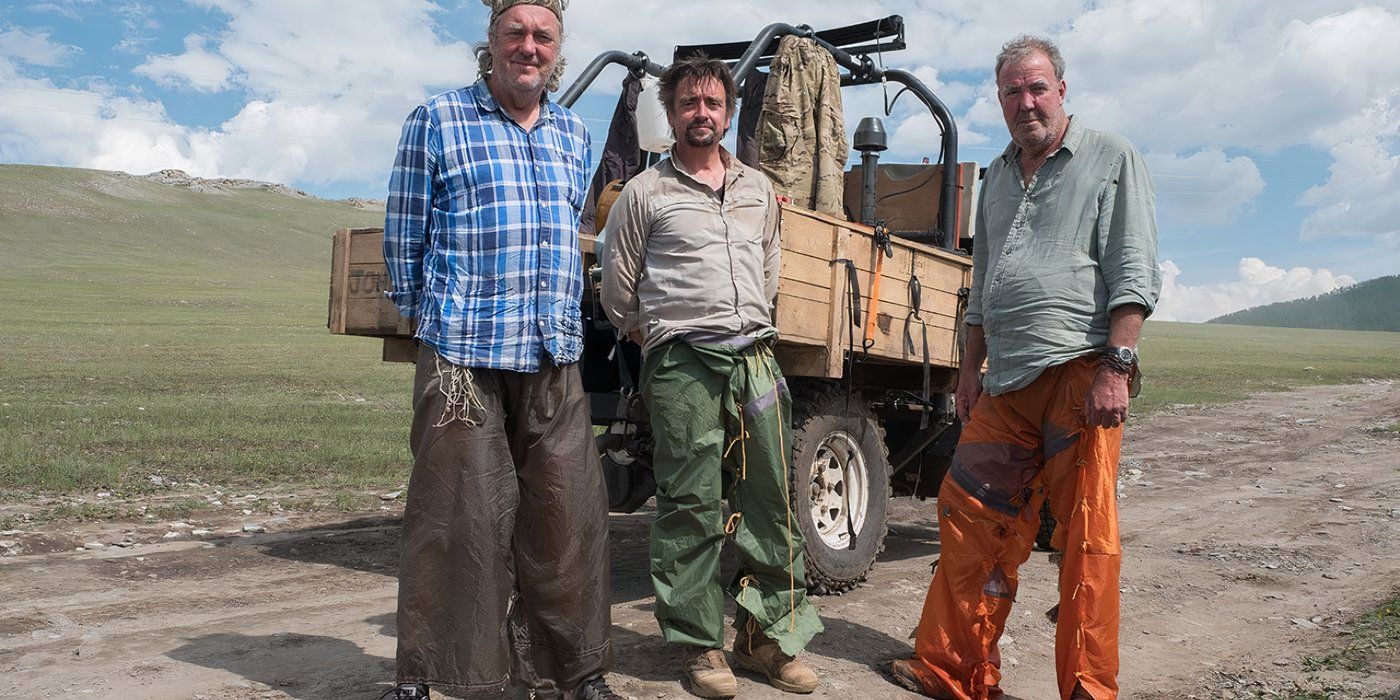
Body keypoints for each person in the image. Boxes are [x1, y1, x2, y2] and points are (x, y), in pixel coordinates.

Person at [887, 35, 1161, 700]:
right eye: (1011, 91)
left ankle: (1087, 691)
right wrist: (968, 369)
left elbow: (1133, 270)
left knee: (1085, 542)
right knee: (968, 520)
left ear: (1061, 91)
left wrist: (1116, 367)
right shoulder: (999, 177)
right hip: (1004, 382)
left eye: (1036, 87)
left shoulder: (1110, 157)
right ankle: (952, 669)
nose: (1025, 101)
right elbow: (983, 285)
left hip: (1080, 373)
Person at [381, 1, 617, 698]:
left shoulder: (574, 133)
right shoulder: (439, 120)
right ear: (490, 41)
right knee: (455, 519)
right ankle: (424, 675)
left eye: (543, 35)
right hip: (463, 357)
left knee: (567, 518)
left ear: (558, 47)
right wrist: (439, 322)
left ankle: (578, 674)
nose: (528, 46)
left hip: (552, 354)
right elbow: (404, 243)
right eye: (514, 31)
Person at [598, 56, 823, 699]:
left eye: (714, 103)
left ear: (728, 113)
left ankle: (767, 640)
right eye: (690, 104)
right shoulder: (646, 193)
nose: (703, 114)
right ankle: (701, 648)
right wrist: (663, 337)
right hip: (682, 362)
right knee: (692, 505)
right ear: (670, 114)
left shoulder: (757, 188)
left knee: (771, 499)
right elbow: (619, 292)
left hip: (753, 356)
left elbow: (770, 271)